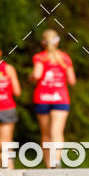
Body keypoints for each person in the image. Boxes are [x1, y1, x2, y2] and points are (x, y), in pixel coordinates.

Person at [31, 29, 76, 167]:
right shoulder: (64, 58)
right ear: (57, 42)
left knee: (45, 133)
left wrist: (30, 78)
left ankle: (48, 164)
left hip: (42, 98)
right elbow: (72, 80)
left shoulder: (39, 57)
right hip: (60, 99)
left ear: (43, 43)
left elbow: (37, 75)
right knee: (57, 131)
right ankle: (56, 160)